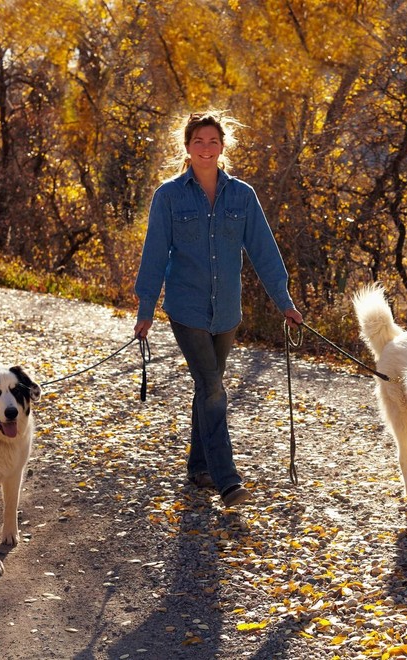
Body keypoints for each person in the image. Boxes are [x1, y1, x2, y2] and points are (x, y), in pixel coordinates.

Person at [133, 111, 303, 508]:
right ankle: (227, 480)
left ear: (223, 147)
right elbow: (154, 255)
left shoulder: (242, 196)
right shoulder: (169, 195)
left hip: (227, 313)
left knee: (205, 390)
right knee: (213, 388)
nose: (205, 149)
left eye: (212, 142)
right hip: (186, 309)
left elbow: (264, 251)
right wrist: (145, 309)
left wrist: (285, 303)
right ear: (187, 148)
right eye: (198, 142)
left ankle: (198, 466)